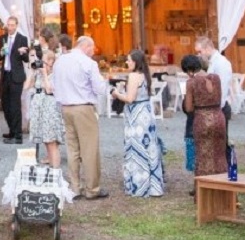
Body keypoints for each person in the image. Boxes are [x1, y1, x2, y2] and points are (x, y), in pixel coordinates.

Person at [52, 36, 110, 200]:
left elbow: (55, 85)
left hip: (66, 107)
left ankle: (75, 187)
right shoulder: (88, 63)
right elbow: (99, 89)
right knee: (89, 148)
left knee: (73, 149)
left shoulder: (60, 61)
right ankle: (92, 188)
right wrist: (104, 83)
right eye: (92, 48)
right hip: (83, 107)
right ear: (86, 46)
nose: (93, 51)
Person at [110, 49, 164, 198]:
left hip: (136, 114)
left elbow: (130, 99)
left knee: (136, 147)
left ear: (135, 62)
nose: (126, 62)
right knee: (149, 146)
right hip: (146, 112)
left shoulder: (133, 76)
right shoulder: (145, 75)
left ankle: (139, 184)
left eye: (129, 60)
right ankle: (153, 185)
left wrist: (116, 94)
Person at [182, 54, 227, 179]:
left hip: (202, 119)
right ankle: (222, 185)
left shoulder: (191, 82)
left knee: (202, 156)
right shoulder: (216, 78)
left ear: (190, 71)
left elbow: (189, 108)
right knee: (219, 155)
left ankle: (204, 190)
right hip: (218, 117)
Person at [26, 49, 65, 168]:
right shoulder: (37, 73)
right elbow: (26, 86)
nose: (42, 63)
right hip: (39, 109)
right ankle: (52, 170)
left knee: (51, 141)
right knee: (46, 141)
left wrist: (44, 74)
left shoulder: (56, 74)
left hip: (50, 108)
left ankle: (56, 171)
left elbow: (49, 90)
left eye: (45, 60)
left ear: (51, 61)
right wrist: (31, 71)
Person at [0, 16, 29, 144]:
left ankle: (18, 135)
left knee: (15, 105)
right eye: (8, 25)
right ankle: (12, 130)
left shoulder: (22, 39)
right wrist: (1, 52)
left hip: (16, 76)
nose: (10, 27)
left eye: (12, 25)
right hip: (6, 75)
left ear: (16, 25)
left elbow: (26, 59)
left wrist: (23, 53)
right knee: (5, 104)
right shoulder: (2, 38)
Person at [195, 36, 233, 142]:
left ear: (207, 48)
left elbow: (222, 88)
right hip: (213, 108)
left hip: (219, 108)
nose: (198, 55)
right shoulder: (212, 62)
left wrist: (216, 111)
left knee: (220, 145)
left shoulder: (221, 63)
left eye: (199, 51)